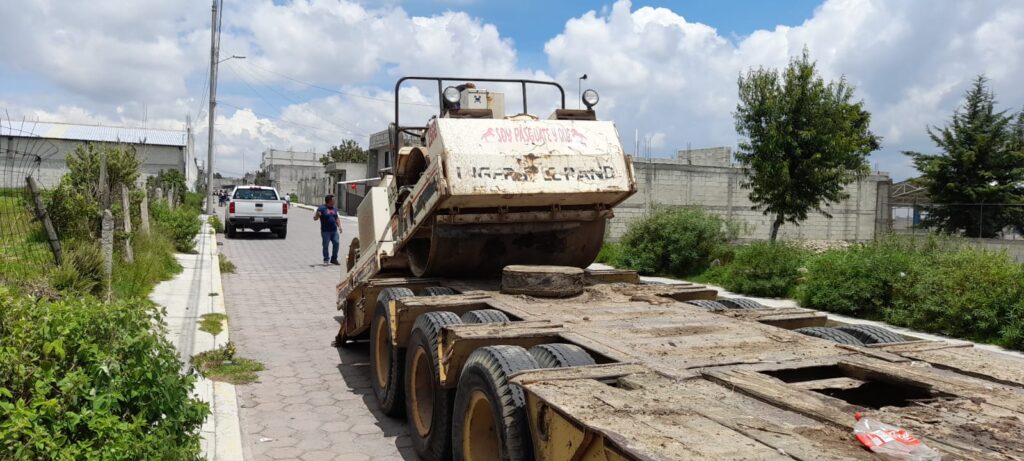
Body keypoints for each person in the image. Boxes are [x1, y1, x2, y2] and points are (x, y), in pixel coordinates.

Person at [314, 194, 342, 265]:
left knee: (336, 243)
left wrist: (340, 226)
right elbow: (315, 218)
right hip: (325, 231)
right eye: (333, 200)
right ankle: (326, 260)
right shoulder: (321, 208)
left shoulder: (334, 209)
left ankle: (334, 259)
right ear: (329, 201)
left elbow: (336, 218)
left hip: (334, 231)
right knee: (325, 245)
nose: (335, 201)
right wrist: (317, 215)